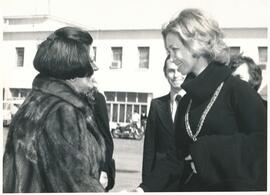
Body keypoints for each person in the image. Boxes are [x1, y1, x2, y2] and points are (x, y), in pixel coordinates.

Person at [141, 8, 267, 191]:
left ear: (196, 45)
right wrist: (143, 189)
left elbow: (263, 145)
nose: (171, 58)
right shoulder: (186, 102)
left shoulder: (238, 91)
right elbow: (175, 158)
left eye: (175, 49)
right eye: (168, 51)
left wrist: (206, 152)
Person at [3, 27, 111, 192]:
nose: (93, 67)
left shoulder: (36, 103)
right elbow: (73, 184)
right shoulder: (62, 112)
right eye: (87, 59)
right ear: (71, 67)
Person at [136, 55, 186, 192]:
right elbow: (149, 150)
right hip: (161, 183)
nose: (176, 75)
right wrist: (146, 184)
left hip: (189, 182)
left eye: (180, 70)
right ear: (165, 73)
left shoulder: (197, 104)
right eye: (171, 70)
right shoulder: (157, 105)